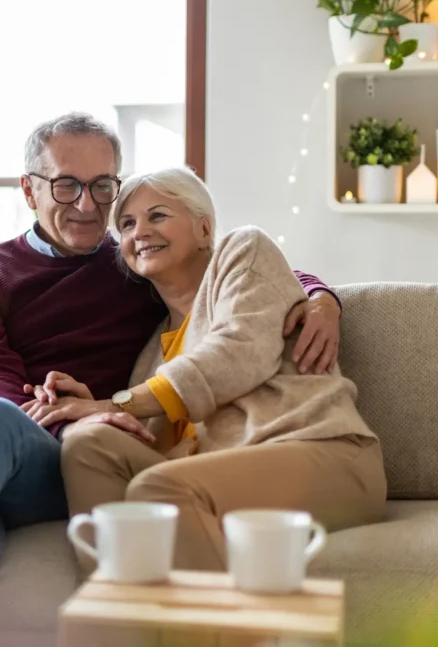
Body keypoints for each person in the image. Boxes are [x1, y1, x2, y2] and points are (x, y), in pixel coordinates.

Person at [0, 115, 343, 645]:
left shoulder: (133, 259)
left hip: (67, 462)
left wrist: (321, 297)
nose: (86, 204)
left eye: (102, 186)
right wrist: (68, 418)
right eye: (65, 184)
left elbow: (232, 271)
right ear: (29, 191)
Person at [26, 167, 386, 574]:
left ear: (203, 229)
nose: (139, 231)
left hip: (325, 453)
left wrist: (120, 403)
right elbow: (160, 442)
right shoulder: (150, 355)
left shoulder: (243, 252)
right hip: (224, 477)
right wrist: (99, 414)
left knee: (161, 488)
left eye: (158, 215)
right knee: (87, 446)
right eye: (127, 224)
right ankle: (121, 607)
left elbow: (236, 352)